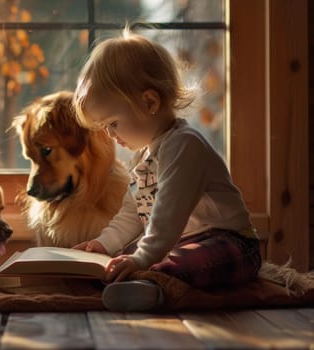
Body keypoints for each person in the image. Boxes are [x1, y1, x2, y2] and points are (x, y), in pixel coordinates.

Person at [72, 28, 262, 312]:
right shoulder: (145, 154)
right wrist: (104, 245)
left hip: (231, 243)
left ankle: (153, 289)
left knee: (181, 260)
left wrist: (143, 257)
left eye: (112, 123)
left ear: (150, 102)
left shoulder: (185, 145)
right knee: (124, 258)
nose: (110, 135)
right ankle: (144, 283)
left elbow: (167, 215)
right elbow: (132, 213)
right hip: (179, 243)